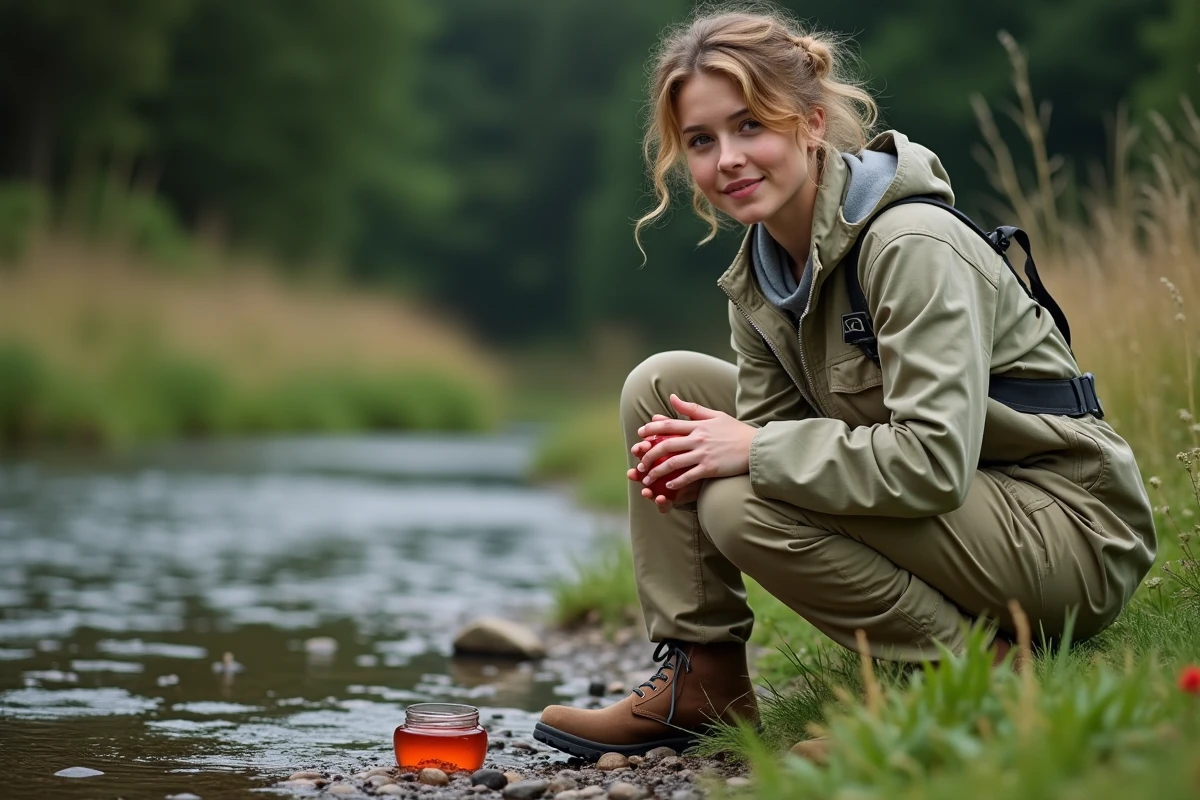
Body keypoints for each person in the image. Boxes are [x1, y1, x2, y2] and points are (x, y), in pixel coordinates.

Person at [534, 6, 1156, 760]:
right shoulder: (763, 273)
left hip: (1066, 531)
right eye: (702, 141)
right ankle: (703, 684)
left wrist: (756, 450)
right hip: (966, 522)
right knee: (660, 389)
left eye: (750, 126)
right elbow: (786, 462)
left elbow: (928, 463)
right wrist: (759, 449)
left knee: (738, 493)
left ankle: (977, 682)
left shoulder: (910, 245)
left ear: (812, 123)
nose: (727, 158)